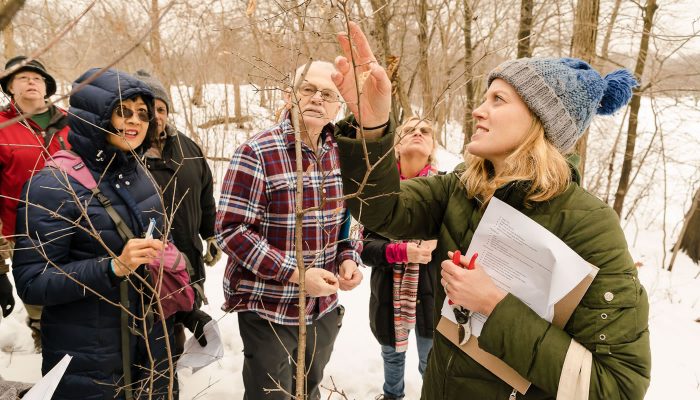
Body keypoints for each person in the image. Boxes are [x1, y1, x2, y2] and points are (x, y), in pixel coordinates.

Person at [331, 22, 651, 399]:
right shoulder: (462, 188)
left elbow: (619, 386)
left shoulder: (589, 225)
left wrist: (494, 307)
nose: (478, 111)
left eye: (498, 99)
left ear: (540, 120)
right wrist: (372, 127)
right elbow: (379, 209)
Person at [12, 68, 186, 399]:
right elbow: (32, 281)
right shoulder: (53, 185)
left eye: (142, 114)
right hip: (87, 359)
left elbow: (162, 246)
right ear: (96, 115)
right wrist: (112, 267)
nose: (135, 121)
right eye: (123, 111)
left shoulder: (140, 174)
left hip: (150, 349)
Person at [215, 60, 364, 400]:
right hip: (270, 307)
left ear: (337, 106)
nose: (316, 99)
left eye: (327, 94)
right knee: (271, 395)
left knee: (308, 390)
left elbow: (351, 220)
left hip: (322, 306)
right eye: (307, 89)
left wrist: (349, 256)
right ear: (288, 96)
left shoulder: (341, 153)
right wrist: (297, 274)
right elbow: (231, 230)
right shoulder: (257, 151)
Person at [136, 70, 217, 354]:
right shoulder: (126, 154)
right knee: (153, 323)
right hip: (146, 261)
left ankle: (174, 367)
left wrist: (211, 233)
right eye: (148, 110)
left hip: (188, 251)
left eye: (161, 108)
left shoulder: (189, 148)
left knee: (184, 309)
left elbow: (206, 193)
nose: (156, 116)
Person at [361, 116, 438, 400]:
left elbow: (464, 241)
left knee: (430, 362)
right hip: (389, 293)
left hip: (433, 295)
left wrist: (438, 242)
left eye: (425, 130)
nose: (417, 133)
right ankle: (392, 395)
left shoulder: (445, 190)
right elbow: (362, 247)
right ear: (396, 145)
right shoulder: (379, 192)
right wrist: (401, 251)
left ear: (432, 147)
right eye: (409, 130)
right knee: (392, 356)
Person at [0, 56, 70, 351]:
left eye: (37, 77)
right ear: (10, 88)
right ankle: (45, 343)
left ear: (47, 88)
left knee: (75, 301)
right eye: (22, 77)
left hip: (76, 228)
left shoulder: (72, 123)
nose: (31, 81)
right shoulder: (2, 128)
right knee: (41, 307)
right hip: (22, 235)